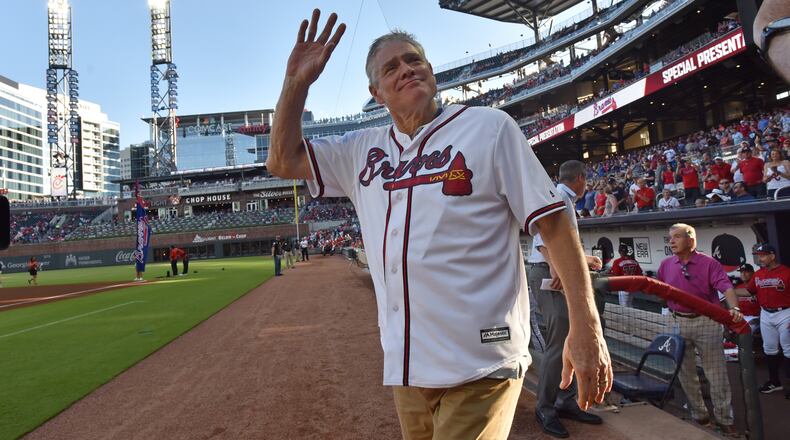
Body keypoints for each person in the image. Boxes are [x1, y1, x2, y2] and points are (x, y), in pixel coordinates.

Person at [266, 11, 612, 439]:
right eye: (391, 67)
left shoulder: (489, 127)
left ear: (431, 72)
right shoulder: (361, 150)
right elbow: (282, 160)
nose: (406, 68)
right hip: (409, 367)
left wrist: (586, 325)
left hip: (482, 360)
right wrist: (296, 83)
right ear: (375, 93)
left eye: (415, 60)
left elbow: (555, 224)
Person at [528, 160, 605, 438]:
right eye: (586, 180)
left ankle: (564, 400)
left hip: (553, 272)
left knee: (570, 335)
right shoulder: (559, 195)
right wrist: (558, 266)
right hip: (549, 274)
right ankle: (545, 407)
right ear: (581, 178)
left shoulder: (562, 197)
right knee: (559, 341)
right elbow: (540, 239)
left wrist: (583, 260)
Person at [657, 224, 743, 436]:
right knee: (686, 373)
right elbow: (659, 290)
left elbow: (727, 287)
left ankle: (724, 419)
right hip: (677, 320)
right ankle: (700, 415)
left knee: (716, 373)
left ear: (691, 240)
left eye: (677, 237)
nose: (672, 241)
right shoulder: (666, 264)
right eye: (670, 238)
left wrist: (735, 308)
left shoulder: (709, 263)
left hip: (706, 321)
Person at [743, 244, 790, 398]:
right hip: (766, 313)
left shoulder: (786, 272)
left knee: (788, 348)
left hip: (785, 312)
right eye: (758, 255)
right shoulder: (758, 275)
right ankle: (775, 382)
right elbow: (747, 290)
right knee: (769, 348)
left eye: (762, 255)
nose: (760, 258)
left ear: (772, 256)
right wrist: (727, 290)